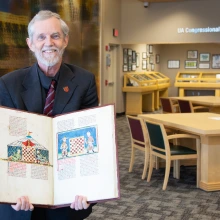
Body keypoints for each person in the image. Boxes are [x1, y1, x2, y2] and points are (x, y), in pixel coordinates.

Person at [0, 10, 98, 220]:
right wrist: (9, 191)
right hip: (21, 196)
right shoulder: (9, 84)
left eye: (55, 36)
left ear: (65, 40)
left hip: (67, 194)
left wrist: (90, 187)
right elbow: (4, 142)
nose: (48, 43)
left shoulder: (85, 81)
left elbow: (92, 141)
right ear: (30, 43)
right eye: (41, 37)